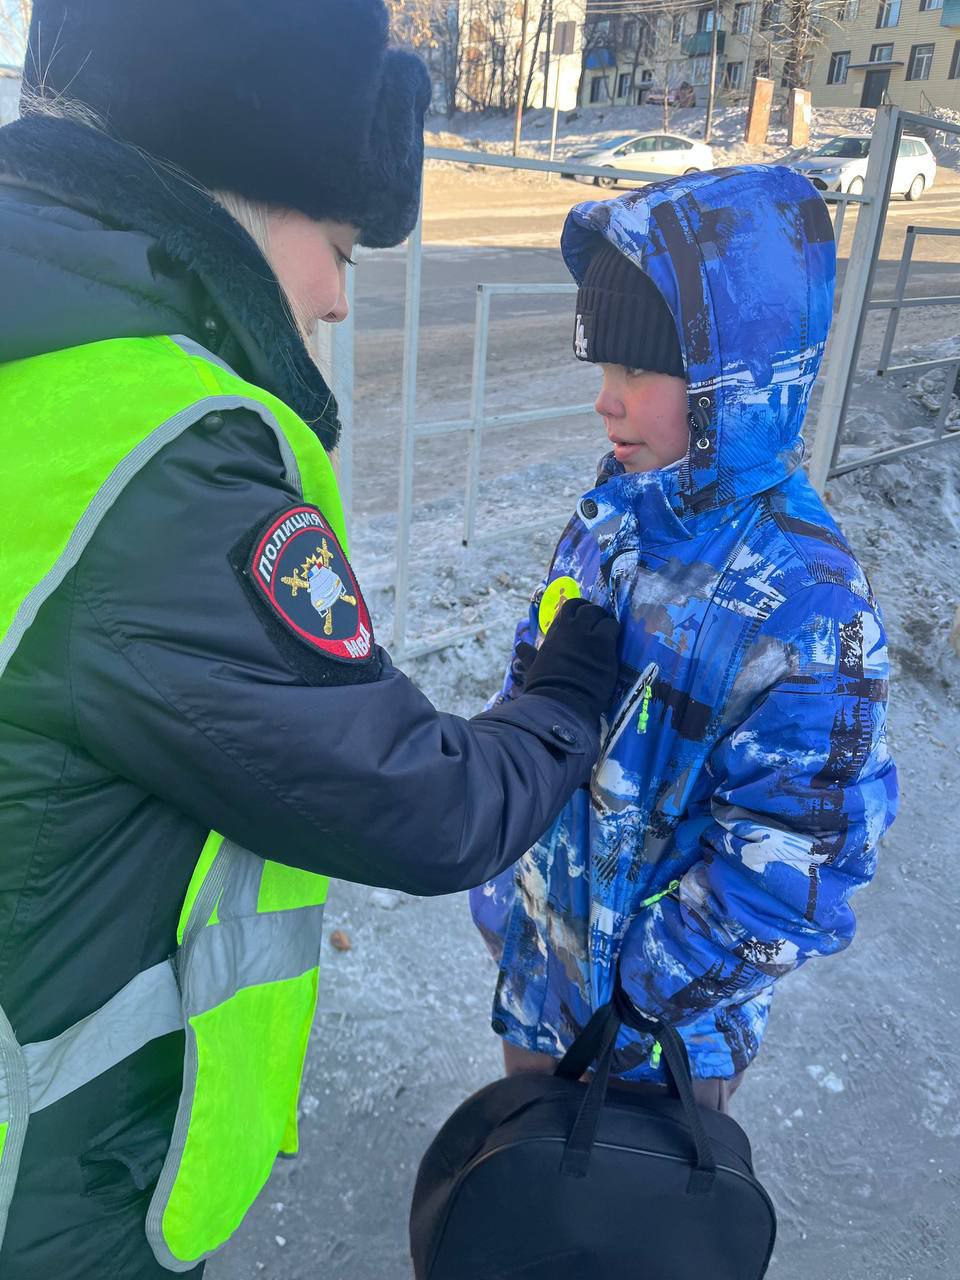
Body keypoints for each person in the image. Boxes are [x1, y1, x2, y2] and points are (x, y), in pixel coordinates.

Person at [0, 3, 621, 1277]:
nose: (338, 293)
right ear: (237, 185)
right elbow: (413, 800)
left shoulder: (39, 350)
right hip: (51, 1178)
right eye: (337, 243)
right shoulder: (164, 457)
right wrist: (566, 694)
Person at [471, 167, 899, 1113]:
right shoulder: (614, 515)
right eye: (603, 370)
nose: (606, 402)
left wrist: (639, 994)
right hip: (544, 974)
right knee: (523, 1199)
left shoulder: (806, 605)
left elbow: (798, 860)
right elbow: (530, 679)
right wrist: (513, 885)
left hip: (662, 1042)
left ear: (729, 380)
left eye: (636, 371)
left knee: (628, 1231)